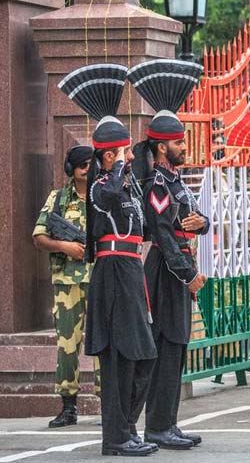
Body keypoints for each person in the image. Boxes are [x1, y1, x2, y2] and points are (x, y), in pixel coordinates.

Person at [58, 63, 158, 456]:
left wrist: (142, 163)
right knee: (118, 359)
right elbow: (112, 197)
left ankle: (126, 427)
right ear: (105, 156)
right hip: (113, 272)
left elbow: (145, 224)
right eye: (117, 153)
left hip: (131, 271)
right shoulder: (100, 187)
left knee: (143, 355)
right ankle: (115, 438)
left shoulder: (126, 184)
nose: (124, 159)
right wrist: (116, 167)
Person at [127, 59, 210, 450]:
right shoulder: (157, 184)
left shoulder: (175, 180)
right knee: (167, 346)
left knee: (177, 347)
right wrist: (186, 273)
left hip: (177, 263)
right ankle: (158, 426)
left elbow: (193, 218)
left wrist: (202, 224)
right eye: (178, 142)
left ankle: (167, 423)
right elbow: (161, 234)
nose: (183, 147)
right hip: (165, 268)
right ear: (162, 147)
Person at [33, 145, 100, 428]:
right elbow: (39, 236)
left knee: (103, 345)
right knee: (67, 346)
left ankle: (108, 404)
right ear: (70, 169)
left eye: (91, 163)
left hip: (99, 279)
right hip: (66, 283)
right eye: (82, 164)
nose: (87, 167)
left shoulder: (102, 195)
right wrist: (65, 246)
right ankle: (68, 406)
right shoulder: (58, 199)